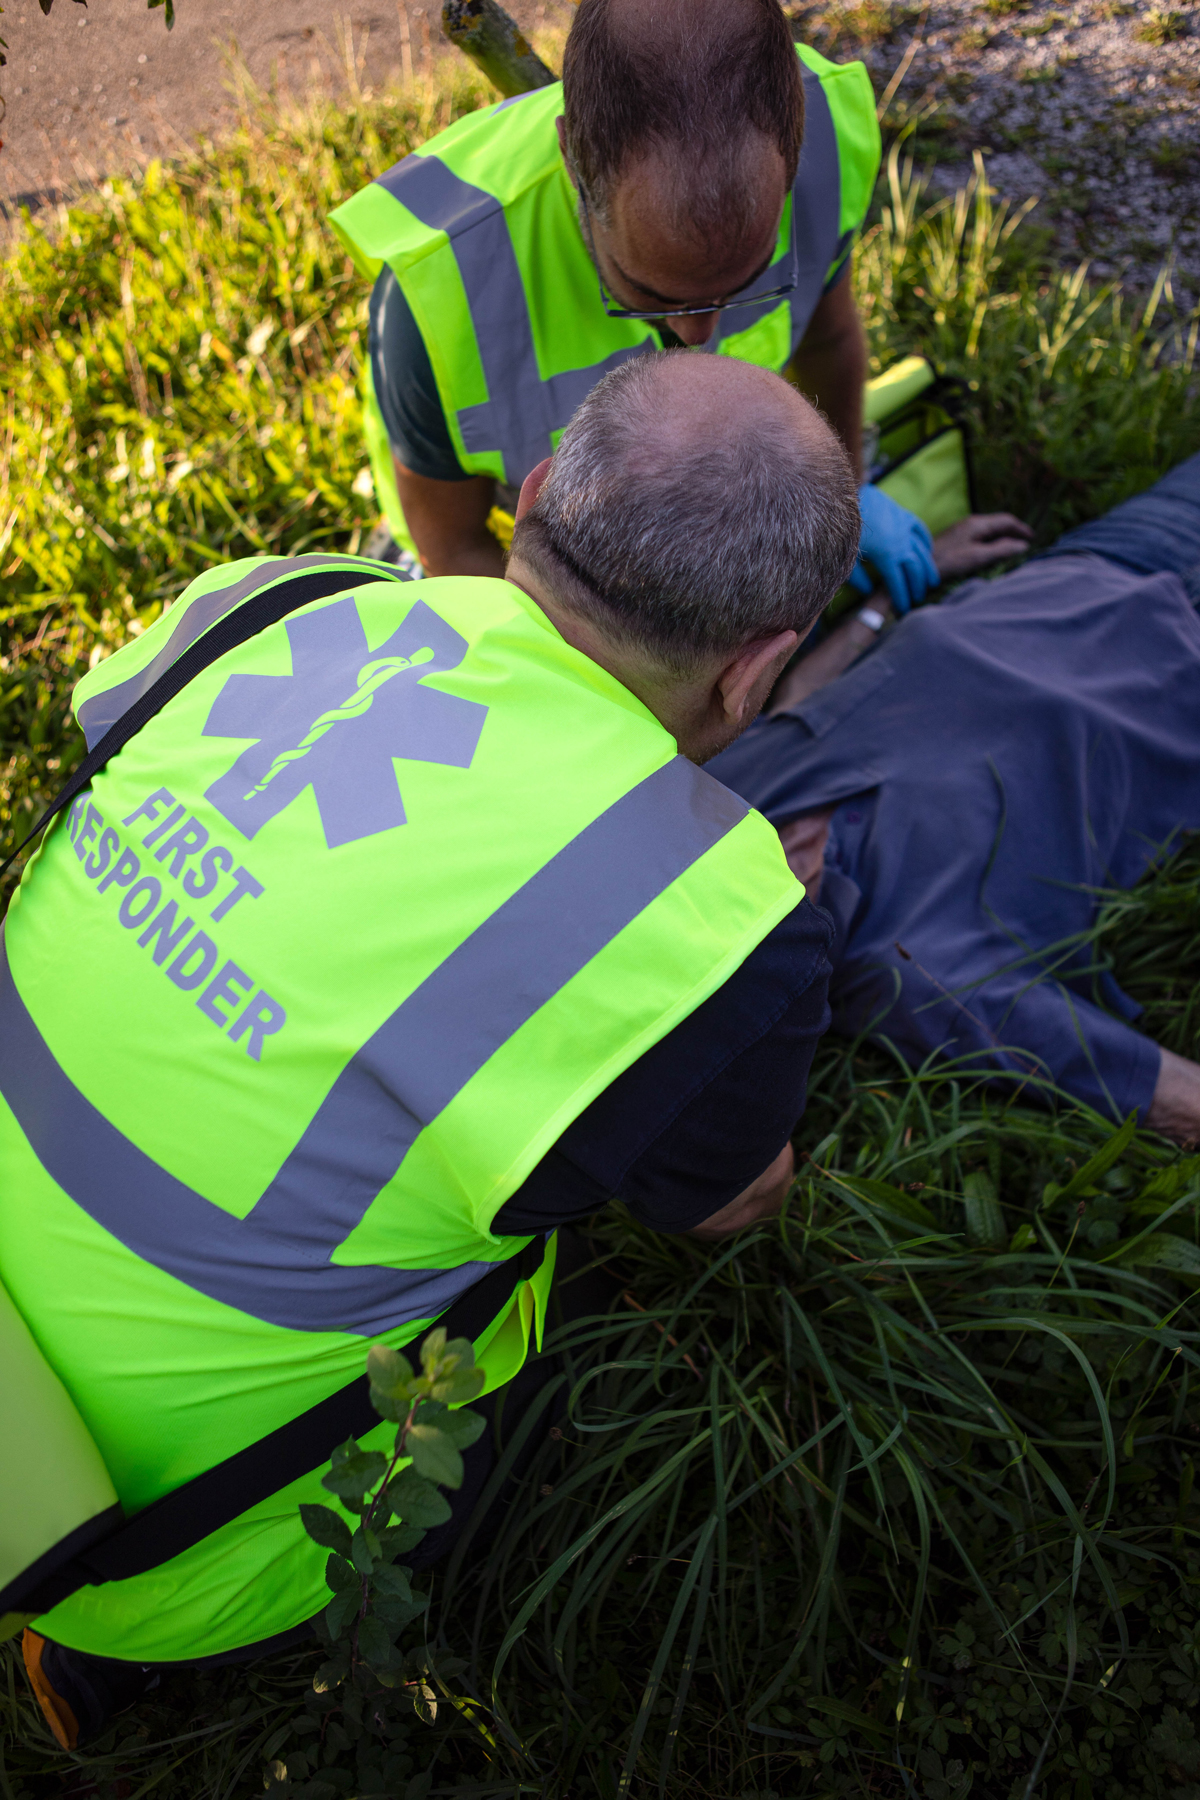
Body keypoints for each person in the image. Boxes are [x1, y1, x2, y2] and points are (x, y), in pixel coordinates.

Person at [1, 352, 860, 1745]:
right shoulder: (714, 927)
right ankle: (127, 1679)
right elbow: (734, 1205)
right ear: (761, 668)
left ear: (531, 501)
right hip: (133, 1554)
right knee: (554, 1335)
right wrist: (739, 957)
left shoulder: (282, 602)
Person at [329, 0, 938, 613]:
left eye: (748, 281)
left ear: (795, 149)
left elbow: (828, 343)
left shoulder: (831, 133)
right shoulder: (442, 285)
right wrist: (603, 677)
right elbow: (455, 551)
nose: (699, 332)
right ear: (573, 160)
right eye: (649, 293)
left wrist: (849, 493)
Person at [708, 456, 1200, 1141]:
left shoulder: (716, 797)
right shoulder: (918, 978)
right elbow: (1171, 1096)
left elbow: (798, 698)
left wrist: (899, 588)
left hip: (1103, 561)